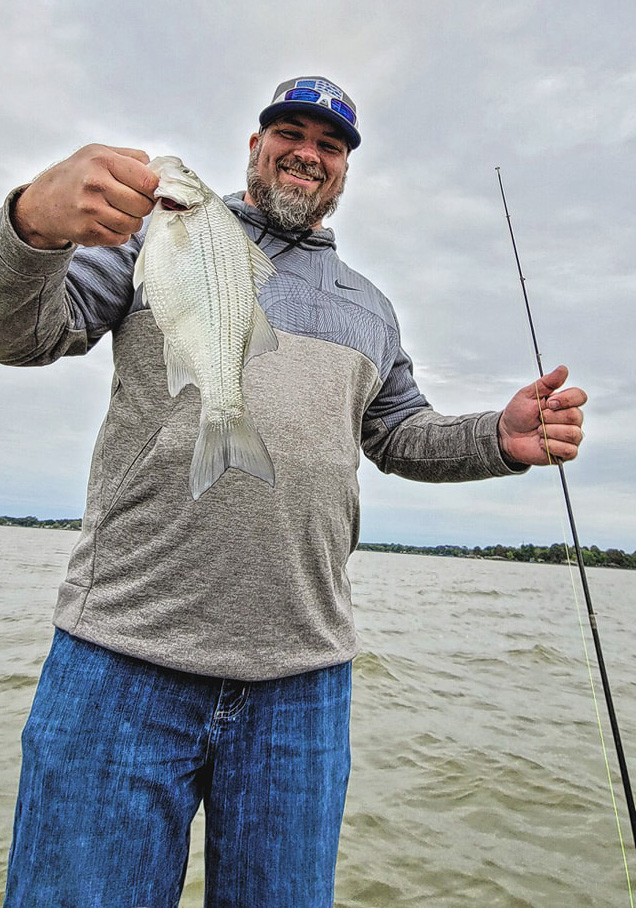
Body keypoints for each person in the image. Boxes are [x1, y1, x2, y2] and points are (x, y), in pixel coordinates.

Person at [0, 76, 586, 908]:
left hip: (302, 683)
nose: (307, 153)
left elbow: (399, 433)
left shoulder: (371, 308)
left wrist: (498, 436)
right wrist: (30, 225)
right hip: (120, 654)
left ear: (343, 168)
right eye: (290, 132)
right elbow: (23, 332)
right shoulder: (153, 236)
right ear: (255, 146)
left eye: (329, 144)